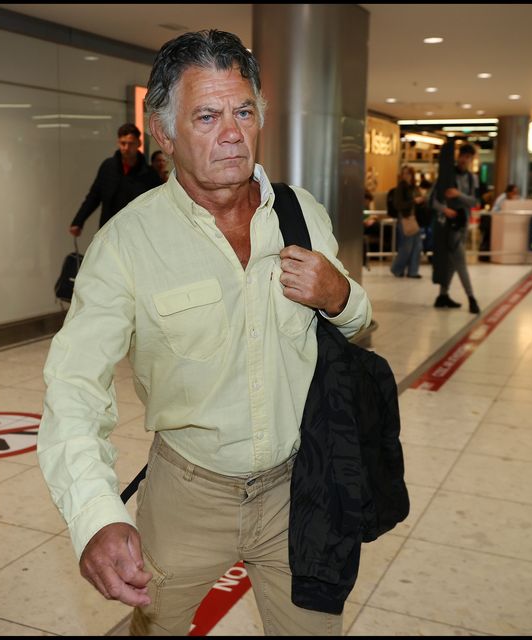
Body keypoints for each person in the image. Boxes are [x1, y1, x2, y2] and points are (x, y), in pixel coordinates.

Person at [38, 30, 372, 636]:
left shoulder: (303, 215)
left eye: (244, 111)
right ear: (163, 134)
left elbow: (356, 324)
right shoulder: (126, 245)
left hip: (298, 488)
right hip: (185, 494)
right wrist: (94, 515)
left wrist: (341, 295)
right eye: (207, 115)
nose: (232, 133)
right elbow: (73, 389)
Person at [69, 123, 162, 236]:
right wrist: (78, 221)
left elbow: (157, 205)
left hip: (136, 232)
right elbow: (94, 196)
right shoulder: (108, 167)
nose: (126, 148)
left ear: (138, 143)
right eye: (123, 143)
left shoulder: (149, 174)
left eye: (131, 144)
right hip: (109, 229)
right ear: (118, 143)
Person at [430, 141, 480, 313]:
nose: (465, 160)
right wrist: (445, 209)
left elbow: (474, 201)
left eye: (468, 157)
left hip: (462, 224)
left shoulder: (472, 178)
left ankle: (442, 295)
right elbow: (432, 201)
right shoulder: (446, 176)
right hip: (448, 227)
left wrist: (459, 195)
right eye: (463, 156)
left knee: (452, 262)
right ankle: (471, 297)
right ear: (458, 157)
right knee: (460, 262)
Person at [390, 165, 425, 278]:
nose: (406, 176)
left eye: (408, 173)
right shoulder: (401, 187)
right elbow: (398, 204)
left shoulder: (413, 187)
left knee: (417, 246)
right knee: (407, 247)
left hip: (414, 219)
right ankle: (397, 269)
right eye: (404, 173)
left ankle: (413, 271)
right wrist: (414, 201)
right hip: (405, 219)